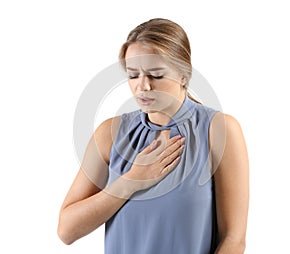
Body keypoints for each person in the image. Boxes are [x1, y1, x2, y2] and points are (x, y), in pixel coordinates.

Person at [57, 18, 249, 254]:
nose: (143, 86)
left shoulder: (219, 130)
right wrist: (130, 182)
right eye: (132, 75)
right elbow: (66, 230)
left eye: (156, 75)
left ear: (184, 75)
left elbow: (233, 239)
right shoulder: (110, 133)